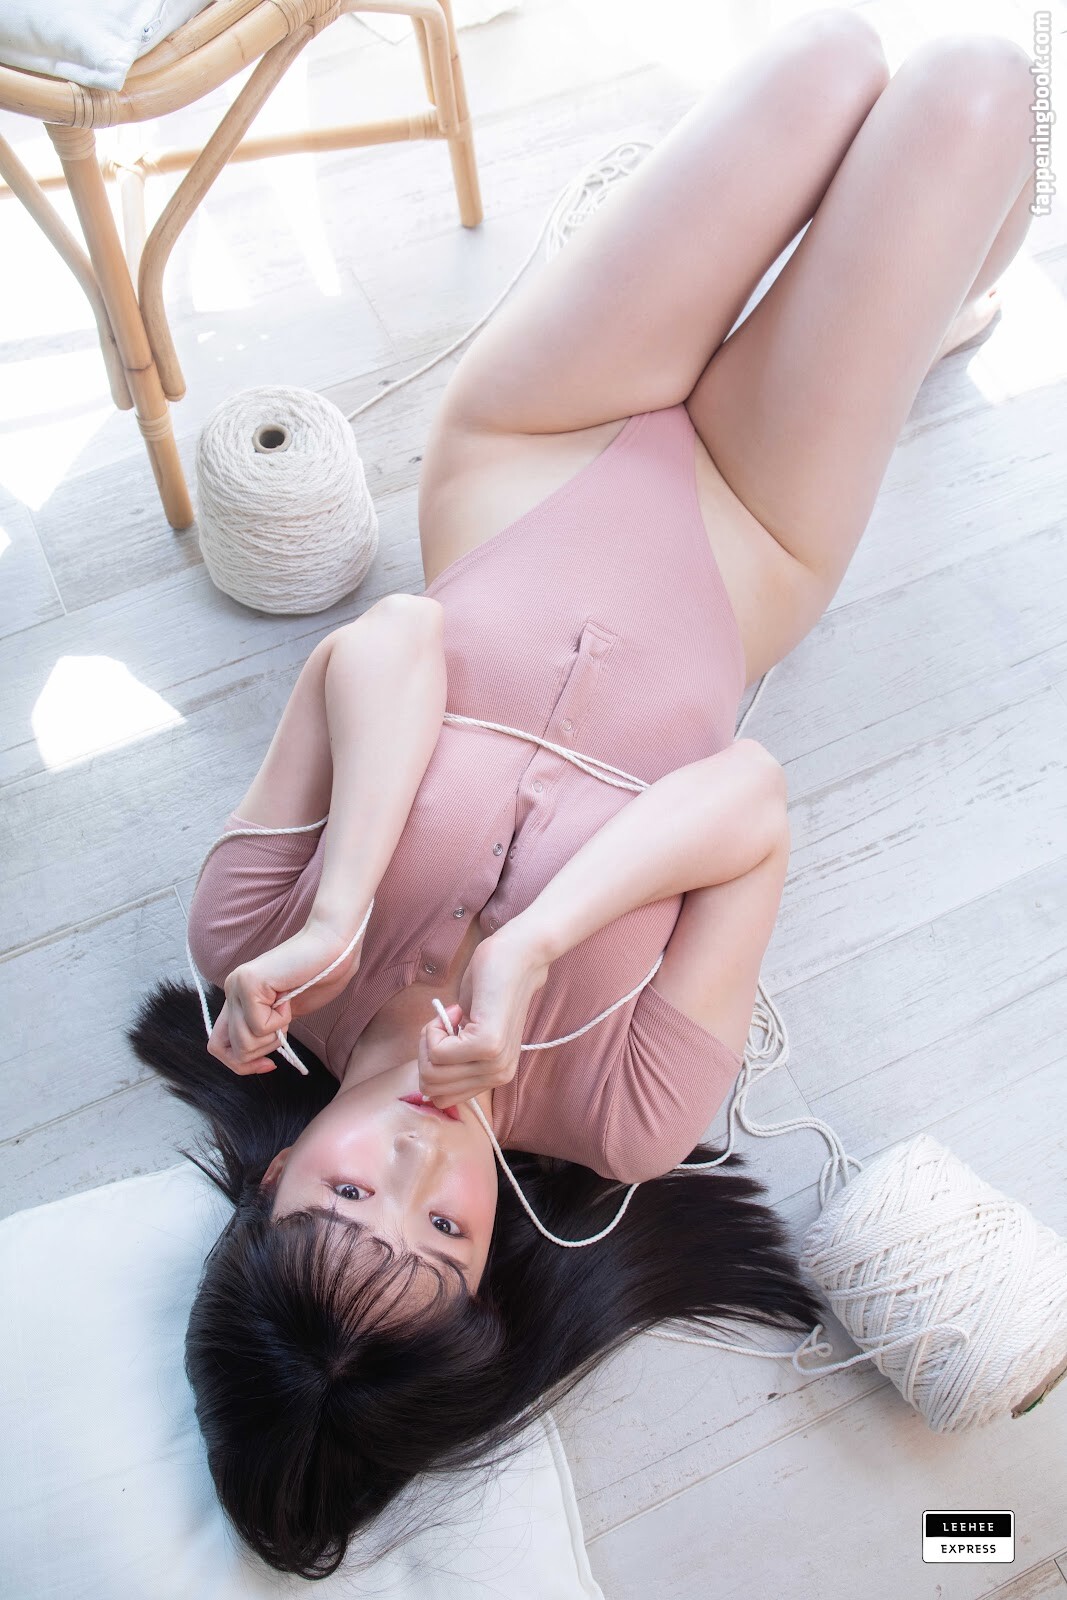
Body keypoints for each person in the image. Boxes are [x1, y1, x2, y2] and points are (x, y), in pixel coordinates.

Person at [129, 8, 1037, 1579]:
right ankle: (939, 286)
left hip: (525, 450)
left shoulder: (252, 949)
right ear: (491, 1267)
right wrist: (537, 944)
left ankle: (919, 289)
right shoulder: (621, 1121)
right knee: (973, 93)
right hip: (747, 540)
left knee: (830, 61)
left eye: (348, 1196)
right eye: (444, 1234)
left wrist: (341, 910)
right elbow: (747, 800)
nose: (420, 1164)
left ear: (271, 1179)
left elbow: (398, 640)